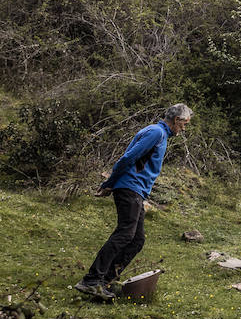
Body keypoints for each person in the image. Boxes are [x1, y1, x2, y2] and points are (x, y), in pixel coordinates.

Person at [74, 103, 192, 301]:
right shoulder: (156, 132)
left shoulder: (160, 134)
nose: (184, 128)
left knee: (137, 240)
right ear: (176, 120)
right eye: (184, 124)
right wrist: (109, 183)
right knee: (125, 234)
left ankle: (105, 281)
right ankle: (91, 281)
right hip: (130, 188)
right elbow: (128, 157)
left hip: (137, 191)